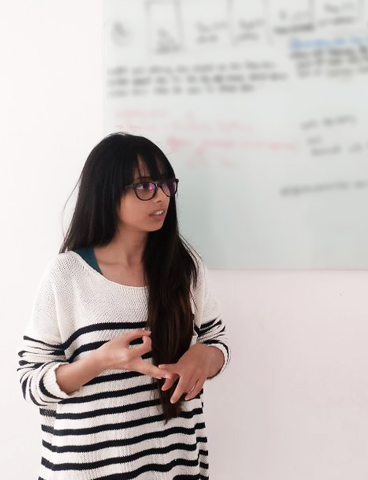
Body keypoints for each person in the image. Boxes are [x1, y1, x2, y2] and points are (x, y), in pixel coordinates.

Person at [17, 133, 229, 479]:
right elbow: (31, 382)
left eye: (166, 184)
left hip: (174, 464)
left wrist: (204, 357)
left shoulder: (184, 266)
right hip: (88, 469)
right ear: (106, 193)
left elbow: (217, 341)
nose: (161, 196)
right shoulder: (67, 274)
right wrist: (101, 361)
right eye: (144, 186)